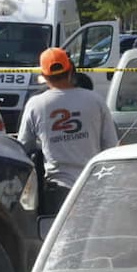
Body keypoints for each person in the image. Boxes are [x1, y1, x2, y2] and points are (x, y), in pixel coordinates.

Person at [19, 48, 118, 215]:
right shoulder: (95, 100)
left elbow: (23, 147)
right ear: (71, 70)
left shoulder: (35, 105)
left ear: (44, 76)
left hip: (57, 190)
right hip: (93, 184)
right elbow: (110, 147)